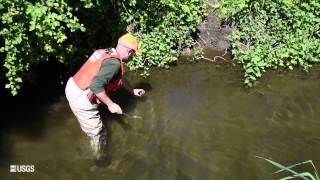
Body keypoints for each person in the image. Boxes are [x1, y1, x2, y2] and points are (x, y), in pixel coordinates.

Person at [65, 33, 145, 159]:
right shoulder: (114, 64)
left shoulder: (106, 52)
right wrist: (111, 104)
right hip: (80, 97)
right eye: (132, 53)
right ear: (128, 51)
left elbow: (117, 76)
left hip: (73, 84)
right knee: (98, 132)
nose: (132, 56)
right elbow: (96, 86)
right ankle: (98, 158)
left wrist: (132, 90)